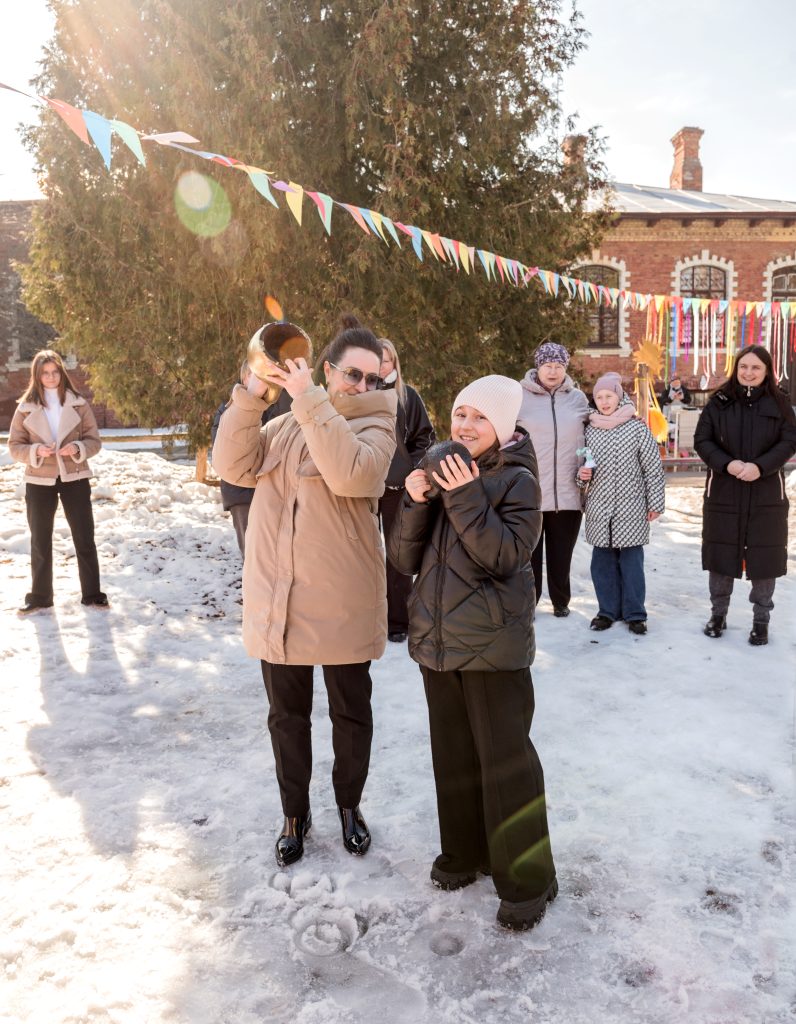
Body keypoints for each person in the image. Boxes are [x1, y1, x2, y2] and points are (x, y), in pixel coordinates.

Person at [212, 315, 397, 867]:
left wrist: (311, 401)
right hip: (281, 602)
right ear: (328, 369)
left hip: (342, 603)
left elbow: (350, 476)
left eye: (372, 378)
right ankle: (295, 813)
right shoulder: (286, 424)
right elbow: (233, 465)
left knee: (350, 715)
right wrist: (253, 393)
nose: (361, 387)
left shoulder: (377, 427)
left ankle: (348, 806)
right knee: (286, 718)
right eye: (352, 375)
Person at [388, 375, 558, 932]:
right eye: (460, 413)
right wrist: (415, 503)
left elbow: (505, 556)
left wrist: (462, 496)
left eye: (479, 418)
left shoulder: (518, 480)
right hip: (438, 646)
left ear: (503, 427)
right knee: (454, 759)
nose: (464, 426)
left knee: (506, 765)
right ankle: (465, 853)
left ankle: (529, 881)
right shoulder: (443, 473)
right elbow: (404, 560)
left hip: (493, 647)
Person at [694, 345, 796, 646]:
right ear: (736, 369)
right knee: (721, 554)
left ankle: (761, 620)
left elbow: (790, 440)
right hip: (725, 490)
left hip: (765, 493)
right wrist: (729, 464)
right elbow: (702, 440)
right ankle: (718, 615)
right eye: (743, 367)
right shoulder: (719, 403)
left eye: (756, 368)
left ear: (766, 372)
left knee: (765, 557)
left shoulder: (780, 403)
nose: (748, 373)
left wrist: (760, 467)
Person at [9, 350, 107, 614]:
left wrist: (76, 448)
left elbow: (94, 441)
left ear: (61, 373)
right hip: (39, 480)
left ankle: (93, 594)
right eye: (45, 372)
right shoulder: (25, 407)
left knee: (84, 537)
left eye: (55, 372)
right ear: (37, 376)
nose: (50, 377)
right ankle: (40, 597)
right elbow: (14, 446)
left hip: (74, 477)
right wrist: (35, 452)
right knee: (40, 540)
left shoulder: (78, 404)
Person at [577, 372, 665, 635]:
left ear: (619, 396)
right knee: (601, 563)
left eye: (609, 396)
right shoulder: (589, 430)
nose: (604, 402)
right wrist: (582, 477)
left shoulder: (637, 428)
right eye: (599, 397)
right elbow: (582, 467)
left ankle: (635, 613)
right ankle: (607, 611)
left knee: (631, 563)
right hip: (599, 508)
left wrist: (655, 502)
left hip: (632, 507)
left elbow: (652, 467)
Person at [518, 341, 589, 617]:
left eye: (559, 366)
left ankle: (561, 602)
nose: (553, 371)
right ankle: (529, 603)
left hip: (568, 491)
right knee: (530, 555)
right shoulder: (519, 397)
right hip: (530, 491)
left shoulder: (577, 398)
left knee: (562, 553)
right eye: (548, 365)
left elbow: (592, 433)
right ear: (538, 366)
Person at [377, 337, 435, 642]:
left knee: (397, 556)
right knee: (362, 554)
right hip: (363, 487)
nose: (381, 364)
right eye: (375, 358)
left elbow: (424, 437)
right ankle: (367, 616)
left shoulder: (407, 396)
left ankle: (398, 621)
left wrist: (411, 468)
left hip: (398, 487)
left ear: (394, 363)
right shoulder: (357, 395)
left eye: (386, 359)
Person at [210, 360, 291, 558]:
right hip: (242, 495)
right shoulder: (229, 411)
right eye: (257, 375)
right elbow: (226, 451)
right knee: (253, 556)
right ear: (246, 378)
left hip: (274, 490)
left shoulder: (278, 404)